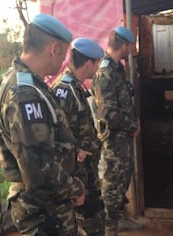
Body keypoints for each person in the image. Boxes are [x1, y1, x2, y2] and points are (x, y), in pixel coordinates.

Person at [0, 13, 85, 236]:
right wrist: (75, 187)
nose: (63, 61)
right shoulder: (26, 95)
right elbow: (38, 171)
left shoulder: (15, 80)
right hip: (43, 209)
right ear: (54, 48)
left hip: (45, 205)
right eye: (62, 53)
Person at [91, 26, 143, 235]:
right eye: (131, 46)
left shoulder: (117, 68)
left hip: (123, 136)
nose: (132, 50)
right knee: (113, 184)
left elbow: (123, 102)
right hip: (114, 139)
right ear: (124, 46)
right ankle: (110, 227)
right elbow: (109, 114)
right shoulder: (105, 73)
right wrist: (133, 126)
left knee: (123, 178)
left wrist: (134, 120)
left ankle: (119, 219)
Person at [51, 38, 105, 236]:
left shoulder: (77, 87)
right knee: (87, 225)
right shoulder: (64, 91)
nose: (98, 68)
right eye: (97, 63)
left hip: (87, 171)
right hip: (77, 174)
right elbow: (54, 134)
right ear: (89, 63)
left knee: (96, 219)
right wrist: (75, 152)